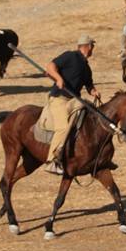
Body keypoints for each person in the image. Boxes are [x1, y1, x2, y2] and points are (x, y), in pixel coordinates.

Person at [42, 35, 100, 175]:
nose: (93, 49)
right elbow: (50, 66)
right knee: (62, 127)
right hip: (59, 98)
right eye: (92, 46)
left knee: (90, 111)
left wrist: (94, 91)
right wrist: (58, 78)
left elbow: (89, 86)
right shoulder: (70, 56)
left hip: (74, 100)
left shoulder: (86, 67)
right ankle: (52, 161)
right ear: (88, 46)